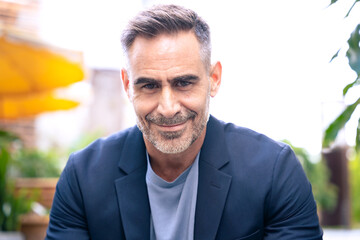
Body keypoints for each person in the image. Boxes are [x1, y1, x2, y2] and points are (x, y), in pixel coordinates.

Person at [46, 4, 323, 240]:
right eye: (149, 86)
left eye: (183, 83)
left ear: (213, 79)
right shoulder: (83, 178)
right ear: (128, 85)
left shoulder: (274, 171)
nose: (167, 108)